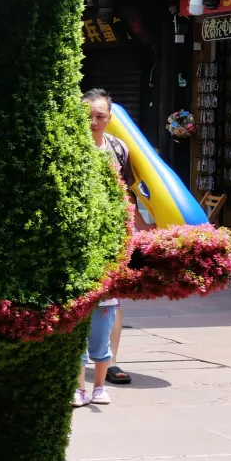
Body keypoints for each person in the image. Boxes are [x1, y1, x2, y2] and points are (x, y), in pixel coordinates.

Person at [74, 88, 150, 406]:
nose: (93, 121)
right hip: (77, 236)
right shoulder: (69, 147)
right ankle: (77, 382)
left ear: (110, 118)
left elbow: (130, 191)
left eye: (100, 116)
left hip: (111, 237)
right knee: (77, 305)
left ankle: (107, 367)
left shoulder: (118, 148)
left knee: (110, 302)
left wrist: (139, 232)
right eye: (87, 115)